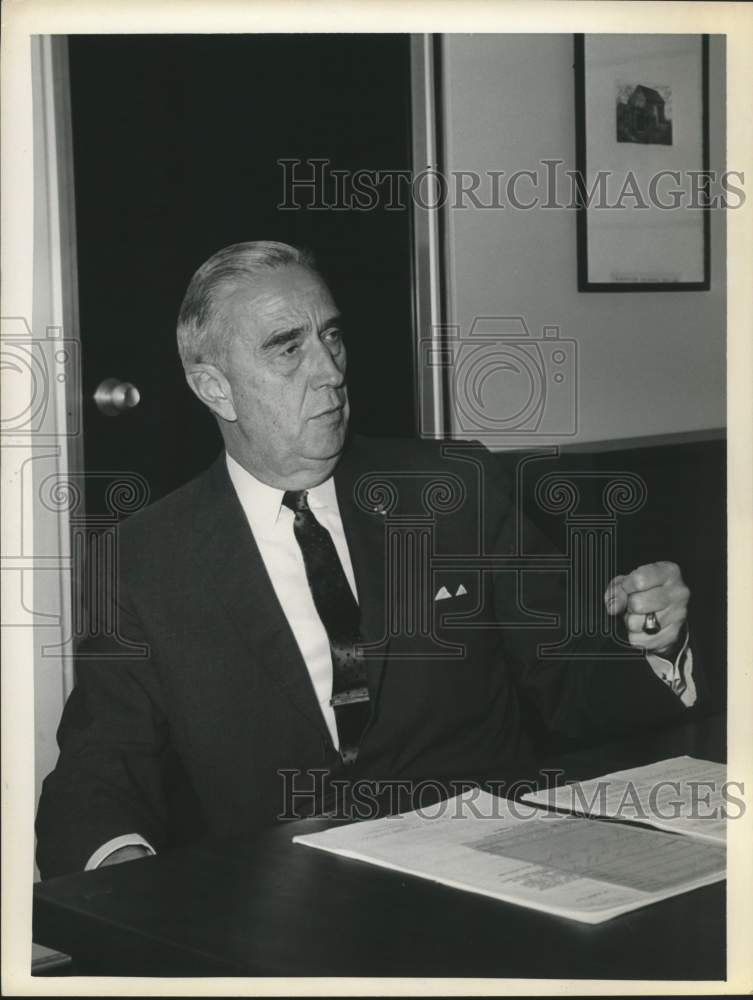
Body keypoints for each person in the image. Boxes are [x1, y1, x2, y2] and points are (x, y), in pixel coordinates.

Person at [35, 241, 696, 878]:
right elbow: (101, 766)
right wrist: (124, 876)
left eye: (331, 336)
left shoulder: (452, 490)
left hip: (489, 875)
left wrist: (650, 641)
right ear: (214, 387)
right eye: (287, 348)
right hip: (276, 903)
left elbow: (579, 694)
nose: (329, 370)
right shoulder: (143, 559)